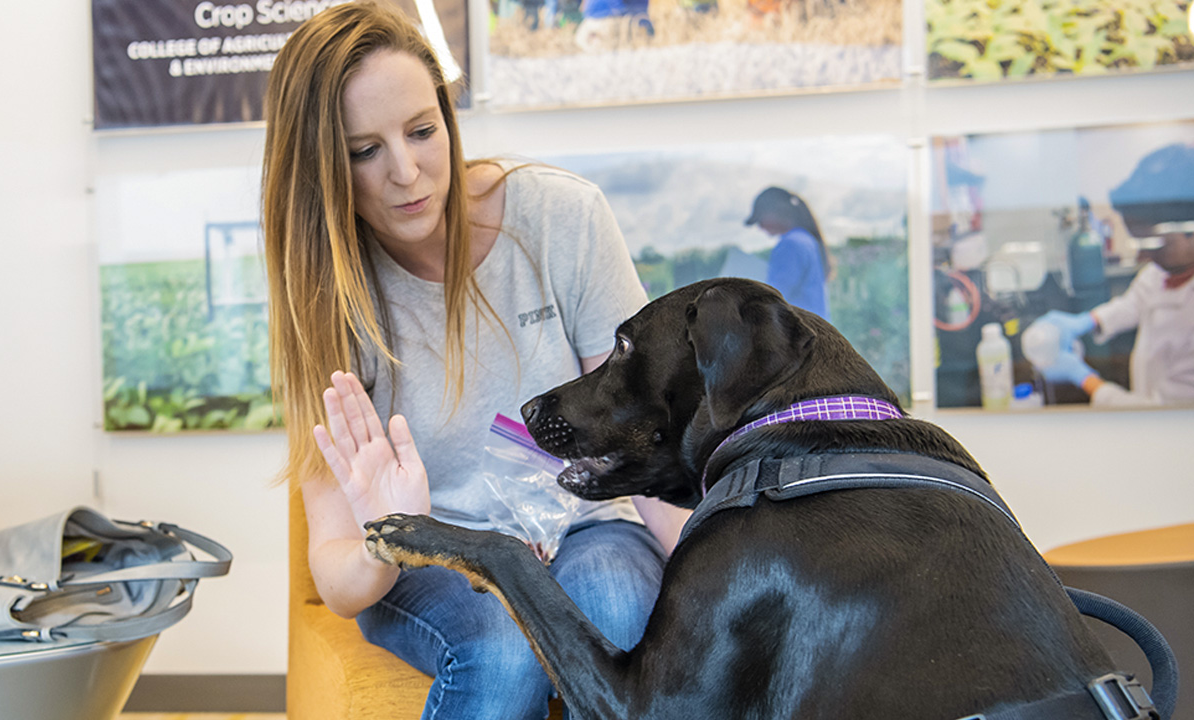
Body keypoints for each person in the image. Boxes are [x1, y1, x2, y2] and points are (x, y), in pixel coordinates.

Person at [260, 3, 690, 718]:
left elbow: (645, 444)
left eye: (423, 132)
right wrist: (387, 534)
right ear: (320, 169)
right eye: (363, 150)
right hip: (431, 557)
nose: (407, 172)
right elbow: (338, 579)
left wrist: (730, 563)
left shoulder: (562, 219)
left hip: (589, 527)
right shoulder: (324, 295)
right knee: (502, 646)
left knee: (619, 615)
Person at [1037, 143, 1194, 407]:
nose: (1145, 257)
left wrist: (1085, 380)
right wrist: (1087, 321)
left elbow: (1163, 413)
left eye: (1157, 245)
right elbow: (1135, 303)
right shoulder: (1165, 270)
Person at [745, 186, 833, 319]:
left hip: (799, 332)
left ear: (777, 212)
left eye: (760, 218)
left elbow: (775, 297)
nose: (760, 226)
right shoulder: (806, 239)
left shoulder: (790, 244)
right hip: (816, 329)